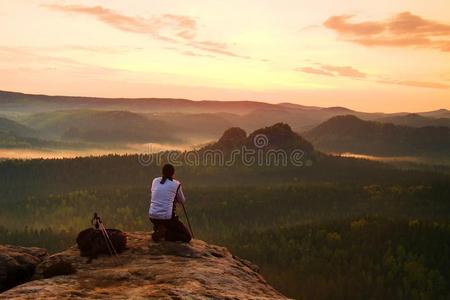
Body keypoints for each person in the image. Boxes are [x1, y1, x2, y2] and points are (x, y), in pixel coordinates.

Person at [148, 164, 192, 242]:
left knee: (166, 223)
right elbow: (182, 200)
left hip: (152, 216)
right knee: (187, 237)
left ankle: (159, 228)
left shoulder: (155, 181)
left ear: (162, 172)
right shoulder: (176, 184)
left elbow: (155, 193)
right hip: (167, 218)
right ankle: (165, 234)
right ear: (173, 173)